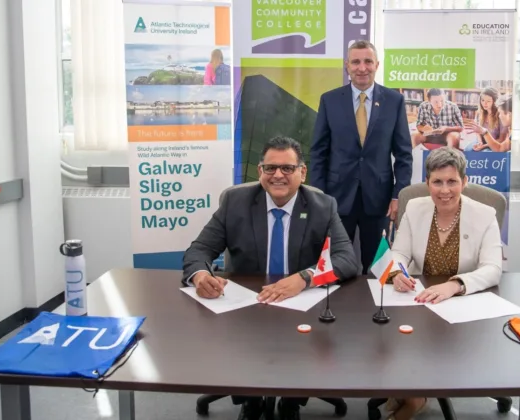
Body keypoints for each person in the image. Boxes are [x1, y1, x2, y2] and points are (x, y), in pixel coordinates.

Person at [182, 136, 359, 420]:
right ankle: (250, 401)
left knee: (301, 342)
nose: (278, 175)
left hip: (301, 304)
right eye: (270, 168)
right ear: (259, 172)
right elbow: (199, 250)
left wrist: (304, 277)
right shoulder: (235, 202)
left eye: (287, 168)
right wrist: (201, 275)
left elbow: (348, 260)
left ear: (303, 173)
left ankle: (291, 401)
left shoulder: (322, 206)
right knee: (244, 343)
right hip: (246, 304)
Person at [383, 147, 503, 420]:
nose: (444, 190)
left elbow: (493, 268)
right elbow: (399, 252)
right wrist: (398, 272)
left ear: (465, 181)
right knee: (395, 343)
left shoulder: (484, 214)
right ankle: (415, 395)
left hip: (462, 307)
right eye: (437, 181)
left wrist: (454, 285)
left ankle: (414, 398)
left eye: (452, 181)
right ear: (427, 183)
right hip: (417, 302)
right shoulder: (415, 207)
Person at [311, 40, 412, 274]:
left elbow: (404, 154)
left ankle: (376, 310)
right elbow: (318, 152)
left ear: (377, 64)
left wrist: (399, 195)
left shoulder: (394, 101)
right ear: (347, 66)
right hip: (336, 199)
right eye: (356, 62)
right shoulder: (330, 100)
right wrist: (318, 197)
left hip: (379, 201)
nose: (362, 67)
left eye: (368, 61)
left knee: (377, 268)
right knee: (334, 266)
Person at [464, 87, 508, 152]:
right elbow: (478, 131)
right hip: (481, 142)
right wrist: (480, 142)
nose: (485, 103)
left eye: (488, 101)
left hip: (494, 144)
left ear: (495, 102)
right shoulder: (479, 113)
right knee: (467, 150)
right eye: (483, 100)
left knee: (485, 153)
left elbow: (501, 140)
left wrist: (484, 146)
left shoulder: (501, 116)